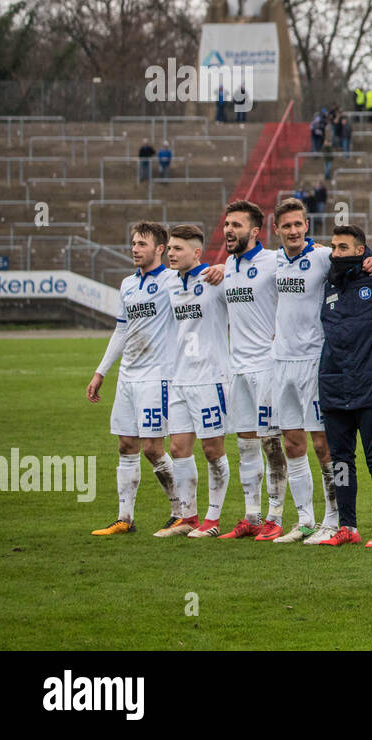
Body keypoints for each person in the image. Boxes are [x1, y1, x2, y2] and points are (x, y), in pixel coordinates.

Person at [270, 198, 372, 543]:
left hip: (316, 361)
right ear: (276, 229)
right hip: (281, 361)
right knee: (291, 441)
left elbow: (359, 258)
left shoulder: (322, 256)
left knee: (324, 444)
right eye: (286, 225)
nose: (292, 231)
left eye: (297, 224)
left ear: (307, 226)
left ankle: (333, 519)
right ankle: (304, 519)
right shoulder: (272, 261)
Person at [85, 221, 183, 535]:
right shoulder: (128, 284)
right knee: (126, 445)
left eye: (142, 244)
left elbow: (203, 276)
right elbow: (122, 330)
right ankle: (124, 519)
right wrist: (102, 371)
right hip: (128, 376)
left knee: (153, 448)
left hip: (158, 377)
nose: (135, 249)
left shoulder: (172, 280)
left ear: (160, 249)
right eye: (133, 243)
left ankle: (181, 511)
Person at [315, 225, 372, 547]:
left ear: (359, 250)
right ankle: (348, 526)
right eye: (334, 247)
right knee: (340, 460)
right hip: (334, 384)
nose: (335, 253)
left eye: (343, 248)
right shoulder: (328, 283)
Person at [211, 200, 289, 540]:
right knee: (245, 445)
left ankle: (276, 516)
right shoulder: (227, 266)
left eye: (236, 225)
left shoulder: (274, 261)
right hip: (237, 370)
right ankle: (251, 516)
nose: (229, 230)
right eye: (227, 224)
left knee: (273, 444)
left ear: (255, 231)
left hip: (267, 368)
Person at [162, 224, 231, 537]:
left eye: (178, 248)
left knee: (213, 450)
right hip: (179, 379)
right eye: (169, 248)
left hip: (210, 378)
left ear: (196, 252)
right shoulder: (170, 285)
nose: (171, 253)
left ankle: (213, 520)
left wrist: (224, 267)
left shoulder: (215, 280)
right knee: (178, 449)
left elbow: (249, 282)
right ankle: (188, 517)